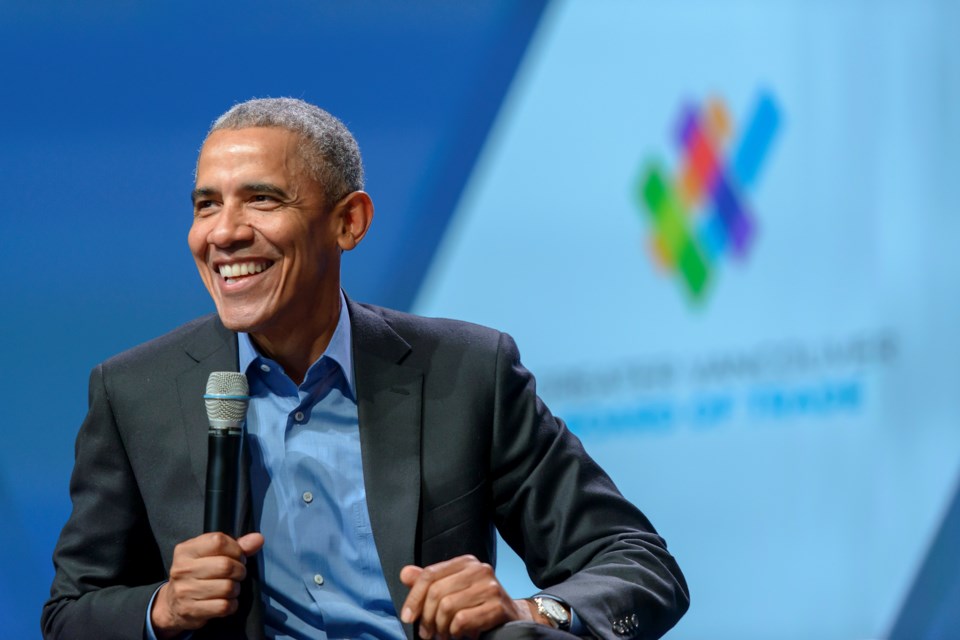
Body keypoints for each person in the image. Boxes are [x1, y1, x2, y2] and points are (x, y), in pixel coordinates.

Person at [42, 98, 689, 640]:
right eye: (206, 205)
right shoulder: (135, 392)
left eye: (261, 200)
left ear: (348, 222)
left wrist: (529, 610)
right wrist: (161, 609)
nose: (223, 233)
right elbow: (70, 613)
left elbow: (639, 565)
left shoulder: (466, 372)